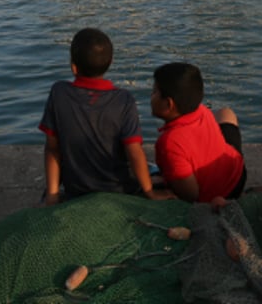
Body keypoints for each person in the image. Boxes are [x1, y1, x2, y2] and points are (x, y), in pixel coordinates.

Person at [39, 28, 168, 204]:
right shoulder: (124, 100)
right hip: (119, 189)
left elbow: (52, 148)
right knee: (154, 170)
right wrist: (149, 192)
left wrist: (52, 196)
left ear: (73, 66)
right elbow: (134, 151)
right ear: (110, 62)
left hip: (76, 189)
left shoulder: (59, 93)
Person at [151, 62, 247, 203]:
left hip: (219, 195)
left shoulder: (169, 143)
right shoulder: (201, 110)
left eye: (154, 92)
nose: (151, 97)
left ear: (168, 104)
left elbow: (190, 194)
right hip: (238, 174)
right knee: (226, 113)